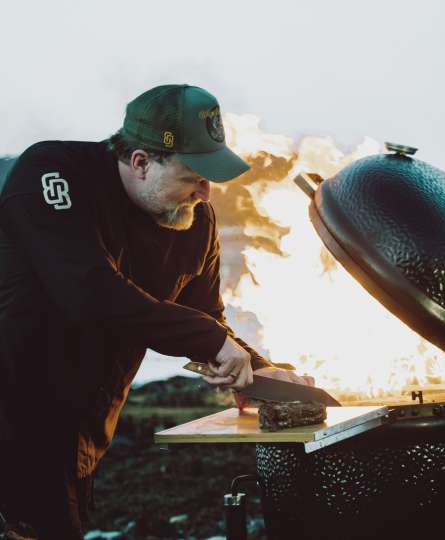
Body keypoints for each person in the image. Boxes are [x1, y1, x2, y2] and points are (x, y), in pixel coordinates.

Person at [0, 84, 309, 540]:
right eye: (193, 176)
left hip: (78, 442)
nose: (205, 193)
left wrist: (261, 375)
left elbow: (206, 317)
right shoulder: (53, 173)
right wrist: (208, 339)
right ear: (141, 162)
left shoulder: (195, 221)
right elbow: (89, 292)